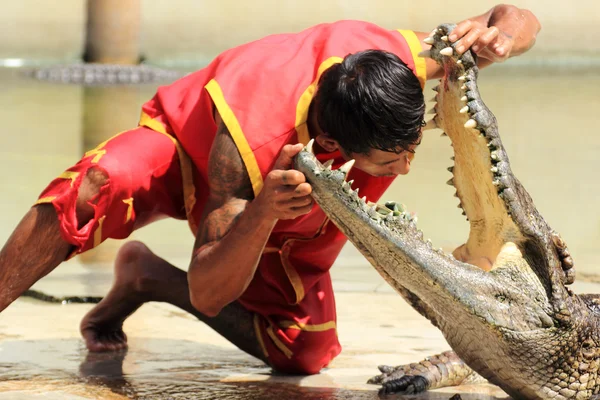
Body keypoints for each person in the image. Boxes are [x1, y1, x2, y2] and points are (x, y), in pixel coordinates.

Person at [0, 4, 540, 375]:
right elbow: (212, 291)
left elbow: (515, 16)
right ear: (328, 139)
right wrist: (260, 214)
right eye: (389, 160)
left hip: (289, 187)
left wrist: (501, 36)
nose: (403, 169)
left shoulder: (388, 64)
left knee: (304, 354)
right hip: (188, 155)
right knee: (98, 184)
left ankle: (149, 279)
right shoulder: (252, 136)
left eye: (411, 149)